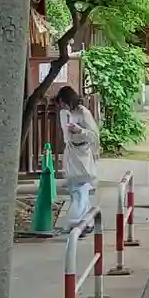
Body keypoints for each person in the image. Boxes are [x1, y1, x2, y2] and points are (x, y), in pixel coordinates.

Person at [57, 85, 100, 234]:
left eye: (63, 103)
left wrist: (79, 130)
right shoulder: (64, 113)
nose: (62, 106)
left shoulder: (83, 112)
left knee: (80, 189)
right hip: (71, 153)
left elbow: (94, 135)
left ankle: (76, 222)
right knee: (76, 190)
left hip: (83, 153)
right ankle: (86, 222)